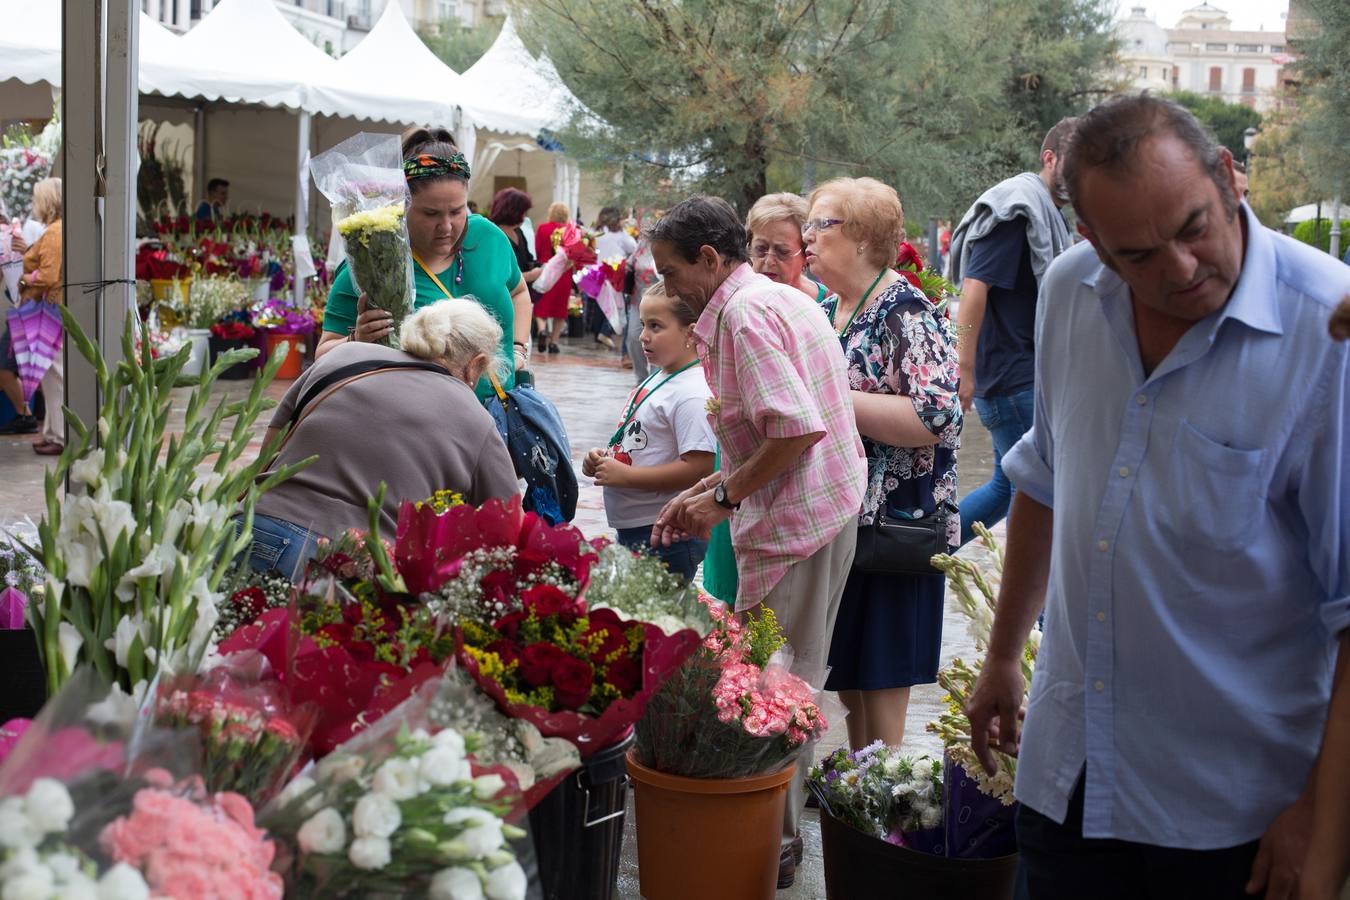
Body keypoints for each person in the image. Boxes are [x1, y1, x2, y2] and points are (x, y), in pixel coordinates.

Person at [964, 94, 1350, 900]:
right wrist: (1002, 655)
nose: (1179, 269)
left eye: (1194, 227)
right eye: (1138, 255)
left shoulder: (1328, 333)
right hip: (1071, 775)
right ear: (1092, 243)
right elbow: (1043, 475)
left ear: (1230, 177)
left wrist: (1318, 812)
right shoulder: (1072, 293)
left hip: (1234, 815)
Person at [647, 196, 866, 889]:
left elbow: (796, 429)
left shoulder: (742, 313)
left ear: (710, 260)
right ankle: (774, 831)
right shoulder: (769, 296)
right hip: (818, 508)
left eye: (671, 272)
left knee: (778, 684)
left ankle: (775, 840)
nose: (666, 288)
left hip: (800, 520)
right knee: (783, 673)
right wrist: (709, 489)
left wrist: (720, 496)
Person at [806, 177, 962, 751]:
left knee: (883, 674)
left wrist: (830, 399)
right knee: (848, 673)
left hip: (897, 522)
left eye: (823, 224)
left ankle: (884, 796)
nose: (809, 237)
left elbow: (936, 412)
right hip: (845, 515)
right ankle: (858, 786)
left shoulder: (905, 311)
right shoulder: (831, 305)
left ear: (866, 237)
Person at [244, 301, 520, 577]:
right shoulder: (473, 415)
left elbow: (269, 451)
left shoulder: (343, 356)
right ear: (477, 364)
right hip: (339, 562)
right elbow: (507, 521)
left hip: (250, 528)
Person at [316, 127, 532, 401]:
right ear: (402, 204)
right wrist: (356, 339)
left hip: (499, 418)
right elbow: (323, 354)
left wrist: (518, 350)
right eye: (431, 213)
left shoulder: (490, 239)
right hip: (421, 428)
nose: (446, 226)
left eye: (457, 211)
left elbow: (519, 292)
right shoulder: (371, 262)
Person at [948, 117, 1077, 546]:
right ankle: (1041, 615)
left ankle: (924, 557)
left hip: (1021, 376)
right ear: (1049, 157)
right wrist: (964, 369)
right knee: (1042, 495)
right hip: (1010, 379)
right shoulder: (1016, 211)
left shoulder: (1049, 214)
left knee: (1008, 489)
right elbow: (973, 288)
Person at [582, 281, 715, 581]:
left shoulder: (693, 391)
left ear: (691, 333)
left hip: (664, 532)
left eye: (655, 326)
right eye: (643, 325)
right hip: (638, 527)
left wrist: (627, 476)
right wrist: (604, 458)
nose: (643, 336)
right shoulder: (662, 376)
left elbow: (700, 466)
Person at [0, 179, 64, 453]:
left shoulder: (52, 232)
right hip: (51, 307)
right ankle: (52, 432)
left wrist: (22, 281)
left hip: (47, 308)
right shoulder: (57, 231)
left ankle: (59, 435)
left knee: (54, 375)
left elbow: (48, 275)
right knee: (50, 376)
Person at [745, 192, 825, 301]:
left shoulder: (829, 305)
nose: (769, 261)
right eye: (761, 249)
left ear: (806, 255)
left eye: (782, 252)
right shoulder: (738, 302)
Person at [533, 202, 574, 356]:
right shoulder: (570, 232)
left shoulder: (543, 228)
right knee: (559, 309)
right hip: (563, 273)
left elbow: (537, 250)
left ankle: (542, 330)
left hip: (546, 271)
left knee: (541, 304)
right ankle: (554, 343)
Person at [488, 187, 542, 295]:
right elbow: (496, 277)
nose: (525, 217)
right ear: (513, 211)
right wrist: (529, 276)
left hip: (522, 295)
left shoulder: (518, 232)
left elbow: (528, 259)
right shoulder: (492, 236)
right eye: (523, 212)